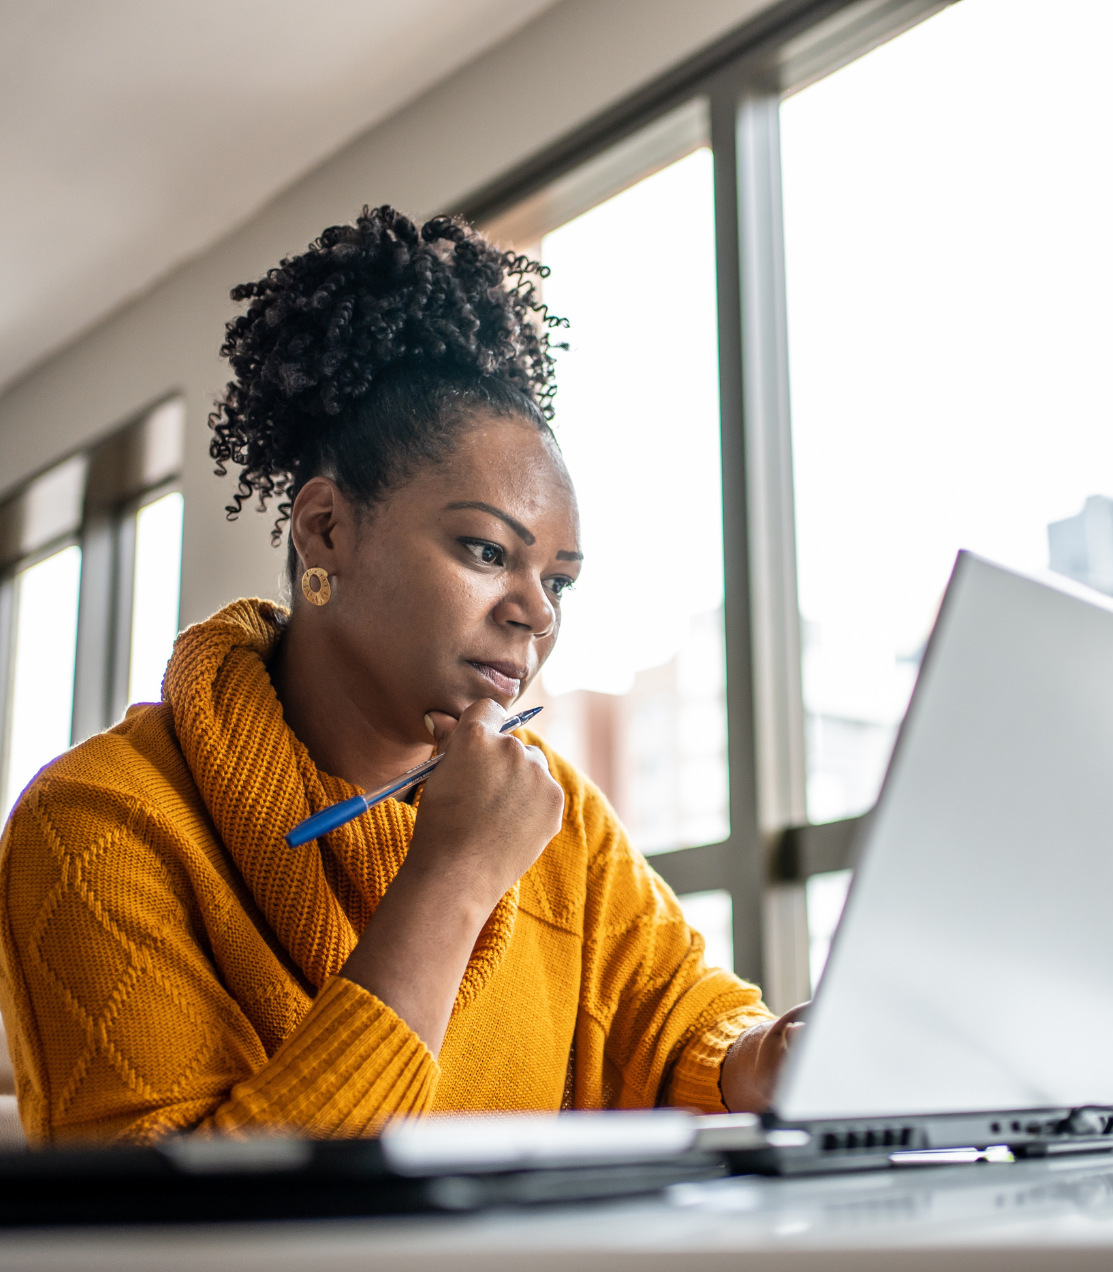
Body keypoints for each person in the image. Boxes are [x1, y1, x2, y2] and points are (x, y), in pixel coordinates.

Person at [0, 207, 801, 1145]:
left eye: (559, 582)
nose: (536, 612)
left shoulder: (560, 818)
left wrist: (766, 1054)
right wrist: (453, 881)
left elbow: (679, 1030)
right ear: (326, 531)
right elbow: (184, 1241)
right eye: (484, 549)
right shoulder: (98, 824)